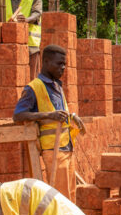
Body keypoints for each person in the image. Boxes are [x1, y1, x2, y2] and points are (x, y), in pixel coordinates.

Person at [13, 44, 81, 198]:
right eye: (59, 63)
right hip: (53, 149)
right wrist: (48, 115)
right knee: (60, 197)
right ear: (46, 62)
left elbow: (59, 113)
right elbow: (18, 115)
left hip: (67, 146)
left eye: (64, 64)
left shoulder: (57, 86)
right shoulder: (33, 88)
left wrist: (71, 116)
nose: (63, 67)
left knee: (70, 196)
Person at [5, 0, 44, 78]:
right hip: (10, 45)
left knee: (31, 79)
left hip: (30, 46)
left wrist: (26, 20)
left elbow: (37, 13)